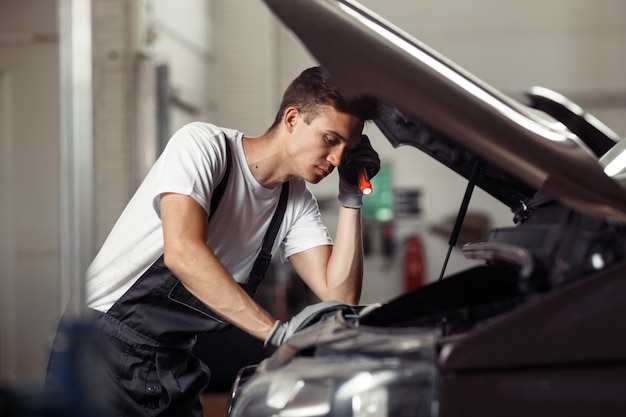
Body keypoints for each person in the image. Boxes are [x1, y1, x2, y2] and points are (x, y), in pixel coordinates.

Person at [46, 66, 380, 416]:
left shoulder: (294, 202)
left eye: (348, 147)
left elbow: (340, 296)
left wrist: (351, 198)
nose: (338, 158)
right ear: (292, 118)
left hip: (173, 362)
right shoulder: (204, 147)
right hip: (104, 349)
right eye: (331, 140)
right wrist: (275, 332)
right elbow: (183, 253)